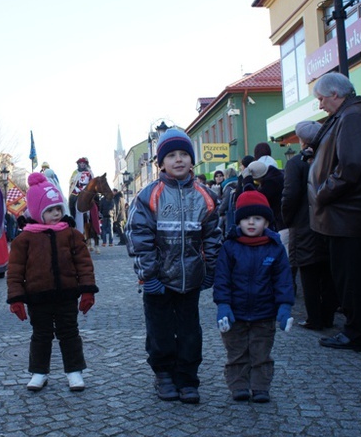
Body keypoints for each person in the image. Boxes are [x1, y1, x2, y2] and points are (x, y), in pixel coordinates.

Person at [125, 128, 222, 404]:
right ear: (161, 163)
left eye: (183, 155)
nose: (178, 160)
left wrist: (209, 270)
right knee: (160, 331)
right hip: (159, 282)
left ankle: (188, 377)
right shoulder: (149, 196)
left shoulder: (205, 196)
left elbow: (213, 235)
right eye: (171, 155)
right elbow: (138, 238)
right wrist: (148, 276)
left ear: (192, 161)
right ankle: (164, 375)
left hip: (190, 279)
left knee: (190, 331)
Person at [308, 72, 361, 352]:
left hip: (348, 216)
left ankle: (357, 331)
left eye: (321, 99)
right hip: (350, 215)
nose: (320, 105)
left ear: (335, 95)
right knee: (356, 276)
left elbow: (350, 166)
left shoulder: (352, 117)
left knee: (351, 277)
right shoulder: (354, 114)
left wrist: (322, 193)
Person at [7, 172, 98, 392]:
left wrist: (87, 291)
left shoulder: (71, 234)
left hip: (67, 294)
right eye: (50, 210)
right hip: (38, 297)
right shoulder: (25, 238)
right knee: (41, 335)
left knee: (69, 333)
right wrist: (16, 298)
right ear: (39, 212)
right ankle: (39, 372)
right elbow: (16, 270)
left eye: (58, 208)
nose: (56, 214)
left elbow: (84, 263)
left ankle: (74, 371)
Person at [213, 190, 295, 403]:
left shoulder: (274, 249)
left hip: (263, 313)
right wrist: (223, 305)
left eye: (257, 218)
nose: (251, 223)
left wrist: (284, 306)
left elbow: (283, 280)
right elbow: (222, 279)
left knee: (261, 354)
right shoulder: (229, 247)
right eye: (246, 218)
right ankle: (239, 386)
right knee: (237, 353)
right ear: (238, 221)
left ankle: (260, 387)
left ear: (266, 222)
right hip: (235, 313)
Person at [282, 120, 338, 331]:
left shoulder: (296, 163)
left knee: (308, 272)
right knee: (327, 271)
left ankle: (314, 318)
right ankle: (328, 316)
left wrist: (288, 219)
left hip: (304, 223)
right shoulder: (331, 158)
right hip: (329, 221)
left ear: (302, 140)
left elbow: (290, 195)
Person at [242, 161, 284, 231]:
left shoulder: (271, 183)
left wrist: (247, 180)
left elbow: (255, 198)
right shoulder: (276, 176)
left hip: (280, 221)